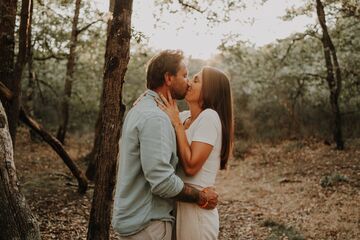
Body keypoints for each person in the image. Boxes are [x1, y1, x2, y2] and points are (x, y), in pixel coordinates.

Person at [112, 50, 219, 240]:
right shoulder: (156, 118)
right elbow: (162, 182)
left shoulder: (142, 109)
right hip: (147, 225)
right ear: (169, 78)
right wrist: (200, 197)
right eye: (185, 75)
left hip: (137, 220)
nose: (187, 82)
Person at [157, 66, 234, 239]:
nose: (189, 83)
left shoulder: (209, 117)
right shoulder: (183, 117)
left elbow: (191, 167)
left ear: (210, 90)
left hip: (198, 212)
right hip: (178, 205)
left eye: (196, 80)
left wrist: (176, 123)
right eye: (191, 78)